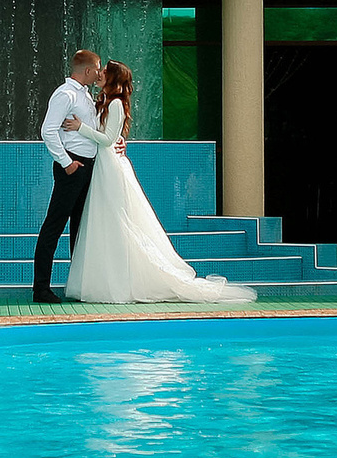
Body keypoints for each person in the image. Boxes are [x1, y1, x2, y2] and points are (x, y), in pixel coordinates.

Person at [65, 61, 257, 306]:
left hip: (109, 168)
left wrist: (79, 127)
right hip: (102, 166)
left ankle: (120, 282)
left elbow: (107, 140)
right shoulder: (103, 101)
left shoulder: (115, 104)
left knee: (115, 219)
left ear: (112, 78)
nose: (100, 75)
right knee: (103, 221)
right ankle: (104, 279)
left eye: (104, 73)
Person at [30, 49, 105, 304]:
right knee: (55, 224)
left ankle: (79, 285)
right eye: (97, 68)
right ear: (86, 70)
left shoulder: (86, 96)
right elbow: (48, 131)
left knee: (80, 228)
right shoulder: (66, 94)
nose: (99, 72)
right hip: (72, 167)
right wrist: (66, 163)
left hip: (87, 166)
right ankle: (41, 288)